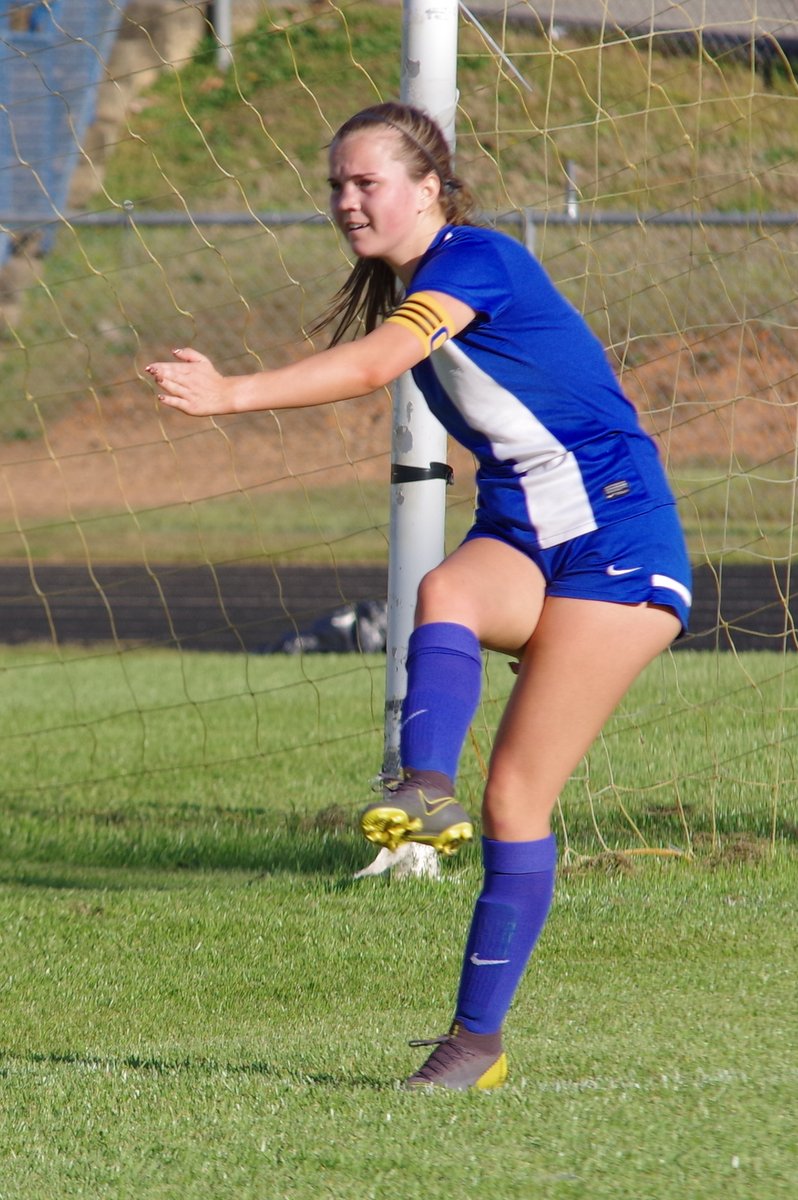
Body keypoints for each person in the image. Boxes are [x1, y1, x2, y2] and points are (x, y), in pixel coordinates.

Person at [147, 101, 692, 1092]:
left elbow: (373, 365)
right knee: (445, 589)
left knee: (517, 798)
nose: (347, 201)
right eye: (336, 185)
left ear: (430, 189)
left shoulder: (475, 259)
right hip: (524, 533)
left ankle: (475, 1044)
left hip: (616, 538)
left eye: (368, 182)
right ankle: (423, 789)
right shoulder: (417, 282)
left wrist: (230, 394)